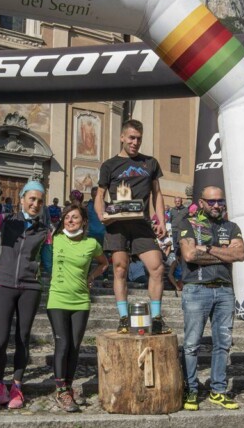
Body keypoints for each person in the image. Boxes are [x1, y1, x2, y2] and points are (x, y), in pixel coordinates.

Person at [94, 119, 169, 334]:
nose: (135, 142)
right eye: (131, 138)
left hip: (141, 224)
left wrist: (161, 221)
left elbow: (157, 194)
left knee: (157, 267)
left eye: (138, 139)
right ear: (122, 137)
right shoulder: (109, 165)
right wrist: (101, 216)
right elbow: (100, 195)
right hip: (117, 224)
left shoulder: (150, 163)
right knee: (120, 269)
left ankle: (156, 318)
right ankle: (123, 318)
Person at [176, 186, 244, 411]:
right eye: (212, 201)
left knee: (223, 343)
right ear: (202, 202)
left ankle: (218, 390)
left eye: (220, 201)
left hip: (224, 290)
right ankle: (191, 389)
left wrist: (206, 248)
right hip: (196, 289)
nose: (217, 205)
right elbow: (189, 255)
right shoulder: (188, 223)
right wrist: (224, 254)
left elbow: (240, 254)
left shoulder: (231, 227)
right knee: (191, 344)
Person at [0, 181, 48, 409]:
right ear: (21, 199)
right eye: (32, 199)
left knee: (23, 338)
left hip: (30, 287)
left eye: (40, 201)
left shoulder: (45, 231)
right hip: (3, 283)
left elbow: (50, 261)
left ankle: (16, 385)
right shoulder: (2, 220)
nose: (35, 204)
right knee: (0, 340)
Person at [47, 202, 109, 412]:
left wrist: (91, 276)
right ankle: (60, 391)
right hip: (57, 298)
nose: (70, 220)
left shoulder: (91, 243)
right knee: (63, 343)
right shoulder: (55, 238)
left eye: (74, 217)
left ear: (84, 221)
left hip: (81, 301)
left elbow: (104, 263)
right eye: (67, 217)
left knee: (74, 347)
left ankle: (68, 388)